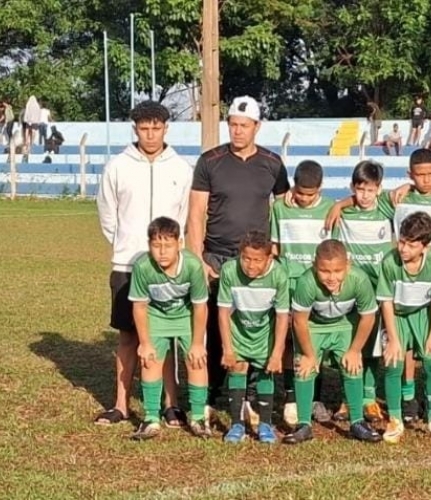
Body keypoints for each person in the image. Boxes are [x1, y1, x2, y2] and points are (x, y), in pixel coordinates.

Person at [325, 148, 431, 424]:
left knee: (427, 348)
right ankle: (373, 397)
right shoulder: (397, 201)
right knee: (367, 341)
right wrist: (339, 204)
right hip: (387, 287)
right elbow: (367, 196)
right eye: (419, 175)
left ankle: (417, 398)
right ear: (410, 175)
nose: (426, 180)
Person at [186, 95, 290, 414]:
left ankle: (261, 390)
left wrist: (277, 254)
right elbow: (195, 213)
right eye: (233, 125)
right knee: (218, 323)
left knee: (259, 320)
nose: (238, 131)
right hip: (217, 255)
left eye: (244, 126)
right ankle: (217, 388)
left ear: (257, 127)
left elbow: (285, 211)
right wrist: (197, 258)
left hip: (258, 259)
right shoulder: (210, 161)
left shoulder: (272, 164)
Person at [95, 100, 193, 427]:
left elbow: (183, 217)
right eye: (143, 128)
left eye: (156, 128)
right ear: (134, 129)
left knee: (165, 336)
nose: (150, 134)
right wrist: (128, 247)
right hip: (127, 264)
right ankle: (120, 405)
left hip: (168, 267)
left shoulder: (181, 168)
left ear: (166, 128)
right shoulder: (117, 167)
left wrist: (170, 253)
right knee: (128, 337)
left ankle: (171, 404)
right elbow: (108, 216)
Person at [283, 240, 383, 444]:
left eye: (338, 271)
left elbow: (368, 317)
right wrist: (310, 355)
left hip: (344, 325)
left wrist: (355, 350)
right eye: (324, 271)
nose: (331, 278)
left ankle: (357, 422)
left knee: (352, 366)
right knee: (303, 366)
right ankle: (304, 424)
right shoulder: (306, 282)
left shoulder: (359, 280)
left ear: (348, 264)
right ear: (314, 265)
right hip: (314, 327)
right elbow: (300, 321)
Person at [128, 217, 211, 440]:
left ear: (180, 244)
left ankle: (198, 417)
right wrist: (144, 343)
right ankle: (151, 418)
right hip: (156, 317)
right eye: (156, 245)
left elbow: (200, 306)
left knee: (196, 360)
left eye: (168, 245)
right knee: (150, 360)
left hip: (186, 317)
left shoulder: (193, 265)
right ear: (149, 245)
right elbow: (139, 306)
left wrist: (196, 343)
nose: (162, 252)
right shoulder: (143, 267)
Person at [377, 212, 431, 443]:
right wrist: (392, 339)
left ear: (426, 245)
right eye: (401, 241)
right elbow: (386, 302)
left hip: (423, 314)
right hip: (396, 316)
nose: (403, 249)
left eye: (411, 245)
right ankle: (395, 419)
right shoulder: (389, 262)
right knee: (394, 363)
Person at [270, 160, 334, 425]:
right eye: (301, 193)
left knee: (313, 342)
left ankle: (315, 398)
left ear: (320, 188)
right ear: (293, 186)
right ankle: (291, 396)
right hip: (288, 284)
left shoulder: (331, 208)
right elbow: (275, 247)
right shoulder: (280, 208)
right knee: (287, 342)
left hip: (316, 286)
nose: (305, 199)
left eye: (311, 194)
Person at [331, 160, 394, 423]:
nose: (365, 195)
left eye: (370, 190)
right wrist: (339, 204)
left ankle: (369, 398)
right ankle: (348, 398)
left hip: (379, 290)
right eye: (360, 189)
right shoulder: (343, 214)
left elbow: (410, 191)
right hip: (352, 292)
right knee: (351, 342)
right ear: (352, 188)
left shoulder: (386, 208)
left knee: (373, 346)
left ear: (378, 189)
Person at [217, 230, 289, 444]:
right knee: (237, 369)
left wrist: (277, 353)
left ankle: (265, 424)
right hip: (238, 332)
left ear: (269, 258)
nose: (250, 265)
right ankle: (237, 425)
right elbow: (223, 312)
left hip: (264, 334)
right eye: (246, 258)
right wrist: (228, 348)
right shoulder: (229, 271)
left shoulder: (279, 275)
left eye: (257, 260)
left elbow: (283, 316)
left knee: (266, 371)